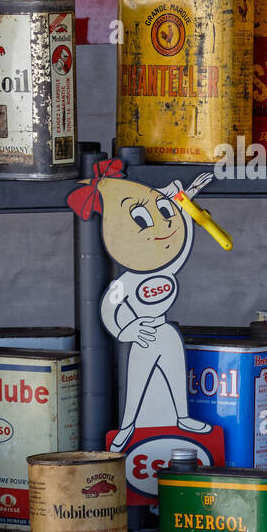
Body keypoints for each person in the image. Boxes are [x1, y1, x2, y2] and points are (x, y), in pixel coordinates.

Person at [68, 159, 213, 452]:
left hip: (165, 331)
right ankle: (127, 427)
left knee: (176, 372)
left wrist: (188, 198)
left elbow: (183, 242)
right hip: (142, 335)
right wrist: (127, 331)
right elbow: (110, 309)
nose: (160, 229)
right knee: (136, 384)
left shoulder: (168, 268)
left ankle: (182, 418)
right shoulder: (127, 281)